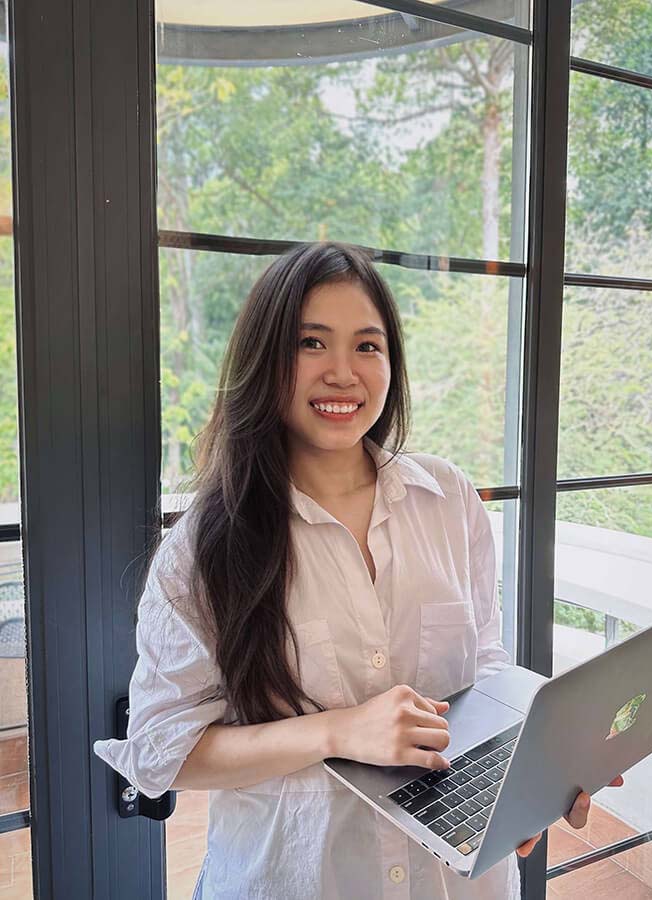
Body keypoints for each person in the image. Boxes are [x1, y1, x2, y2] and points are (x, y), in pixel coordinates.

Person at [93, 242, 621, 899]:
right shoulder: (208, 544)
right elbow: (161, 752)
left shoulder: (449, 498)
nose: (343, 372)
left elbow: (482, 664)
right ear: (265, 361)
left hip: (460, 880)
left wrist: (534, 766)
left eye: (367, 346)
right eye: (311, 343)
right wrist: (338, 732)